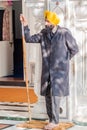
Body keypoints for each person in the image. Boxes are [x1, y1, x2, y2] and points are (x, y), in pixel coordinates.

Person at [20, 10, 79, 130]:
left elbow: (74, 49)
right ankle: (51, 120)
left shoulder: (64, 33)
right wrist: (25, 25)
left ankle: (56, 122)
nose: (46, 23)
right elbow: (29, 39)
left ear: (54, 21)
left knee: (56, 96)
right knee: (48, 96)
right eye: (45, 21)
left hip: (59, 73)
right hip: (47, 71)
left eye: (48, 21)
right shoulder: (44, 33)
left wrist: (64, 61)